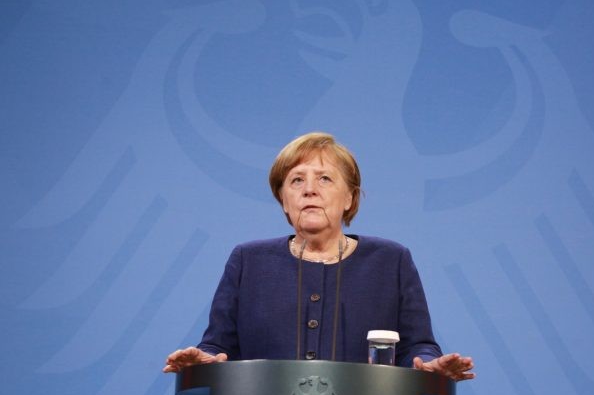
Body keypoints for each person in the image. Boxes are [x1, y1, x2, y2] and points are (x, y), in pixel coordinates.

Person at [164, 133, 474, 381]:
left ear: (350, 197)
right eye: (296, 180)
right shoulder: (248, 261)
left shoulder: (391, 261)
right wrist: (203, 359)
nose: (309, 190)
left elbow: (418, 345)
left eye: (325, 178)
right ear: (284, 200)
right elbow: (219, 347)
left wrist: (429, 364)